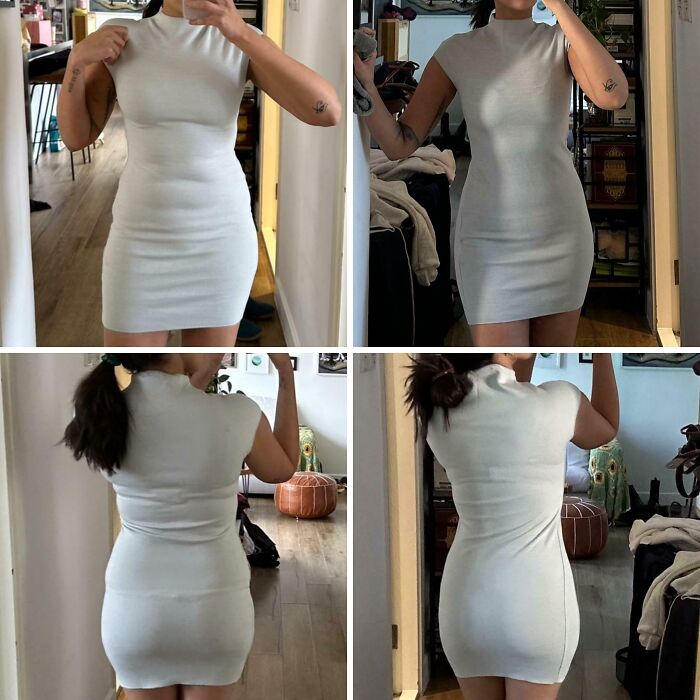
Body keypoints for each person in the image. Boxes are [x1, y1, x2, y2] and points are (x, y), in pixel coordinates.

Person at [57, 0, 341, 347]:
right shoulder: (122, 37)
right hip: (139, 240)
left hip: (220, 239)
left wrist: (242, 34)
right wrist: (76, 62)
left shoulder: (240, 40)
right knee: (135, 373)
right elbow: (76, 138)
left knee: (203, 375)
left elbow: (327, 111)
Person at [355, 0, 629, 347]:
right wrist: (366, 85)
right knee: (503, 371)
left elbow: (613, 96)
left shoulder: (560, 43)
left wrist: (560, 7)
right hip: (489, 243)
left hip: (562, 236)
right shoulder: (457, 51)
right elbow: (400, 143)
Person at [62, 352, 298, 700]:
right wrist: (285, 372)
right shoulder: (238, 413)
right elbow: (283, 468)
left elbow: (171, 414)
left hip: (134, 613)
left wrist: (199, 369)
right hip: (216, 610)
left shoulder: (98, 413)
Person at [405, 352, 619, 700]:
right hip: (538, 608)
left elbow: (506, 400)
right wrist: (602, 354)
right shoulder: (558, 400)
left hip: (466, 607)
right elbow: (607, 425)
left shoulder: (436, 411)